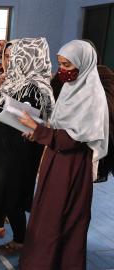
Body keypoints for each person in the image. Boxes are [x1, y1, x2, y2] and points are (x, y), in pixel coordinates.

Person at [18, 40, 109, 269]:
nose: (63, 70)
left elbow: (72, 139)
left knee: (61, 219)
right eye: (60, 64)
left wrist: (39, 131)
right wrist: (37, 133)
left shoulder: (92, 97)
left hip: (71, 168)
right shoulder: (71, 89)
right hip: (55, 160)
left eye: (67, 64)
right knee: (46, 216)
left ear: (83, 63)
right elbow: (60, 129)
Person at [0, 38, 55, 254]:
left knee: (13, 195)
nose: (11, 61)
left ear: (29, 58)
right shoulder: (13, 80)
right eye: (9, 57)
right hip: (2, 145)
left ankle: (20, 240)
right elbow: (4, 109)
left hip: (20, 151)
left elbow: (36, 123)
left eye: (16, 57)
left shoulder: (38, 88)